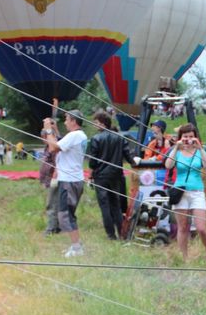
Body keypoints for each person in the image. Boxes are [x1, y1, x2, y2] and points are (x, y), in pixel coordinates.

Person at [165, 124, 206, 261]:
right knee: (183, 227)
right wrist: (176, 147)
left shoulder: (198, 150)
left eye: (191, 137)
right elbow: (168, 165)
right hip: (180, 192)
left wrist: (200, 147)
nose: (188, 139)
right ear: (180, 138)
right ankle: (185, 257)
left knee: (201, 227)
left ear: (195, 137)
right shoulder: (177, 151)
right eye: (185, 137)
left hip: (197, 191)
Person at [44, 110, 88, 257]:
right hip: (73, 179)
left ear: (73, 121)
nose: (65, 122)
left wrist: (48, 130)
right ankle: (76, 245)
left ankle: (77, 248)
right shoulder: (80, 136)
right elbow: (62, 144)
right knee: (68, 214)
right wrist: (55, 131)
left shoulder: (75, 135)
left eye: (67, 119)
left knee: (65, 215)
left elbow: (53, 148)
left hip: (69, 181)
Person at [87, 111, 135, 240]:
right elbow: (128, 155)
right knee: (116, 205)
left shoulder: (96, 138)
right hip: (116, 176)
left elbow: (92, 160)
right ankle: (121, 233)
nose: (95, 125)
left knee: (104, 206)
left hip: (101, 177)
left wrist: (92, 173)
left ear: (103, 123)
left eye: (96, 122)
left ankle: (110, 235)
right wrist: (135, 163)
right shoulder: (119, 137)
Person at [38, 131, 60, 236]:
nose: (42, 139)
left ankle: (51, 228)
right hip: (48, 179)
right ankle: (57, 226)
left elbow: (57, 163)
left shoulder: (53, 148)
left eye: (44, 137)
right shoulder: (47, 147)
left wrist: (54, 178)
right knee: (54, 203)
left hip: (54, 179)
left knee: (52, 204)